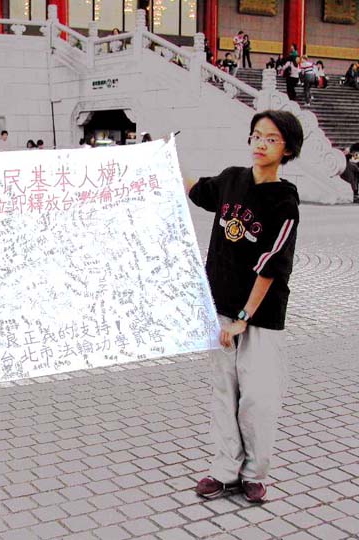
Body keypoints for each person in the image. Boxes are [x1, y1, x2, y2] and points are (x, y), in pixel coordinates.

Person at [189, 110, 304, 504]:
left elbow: (272, 264)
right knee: (224, 392)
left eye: (271, 139)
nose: (260, 144)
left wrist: (243, 318)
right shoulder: (231, 179)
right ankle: (224, 470)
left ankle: (254, 473)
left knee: (257, 396)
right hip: (220, 305)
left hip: (260, 316)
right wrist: (159, 160)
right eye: (256, 135)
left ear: (287, 149)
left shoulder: (285, 201)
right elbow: (195, 189)